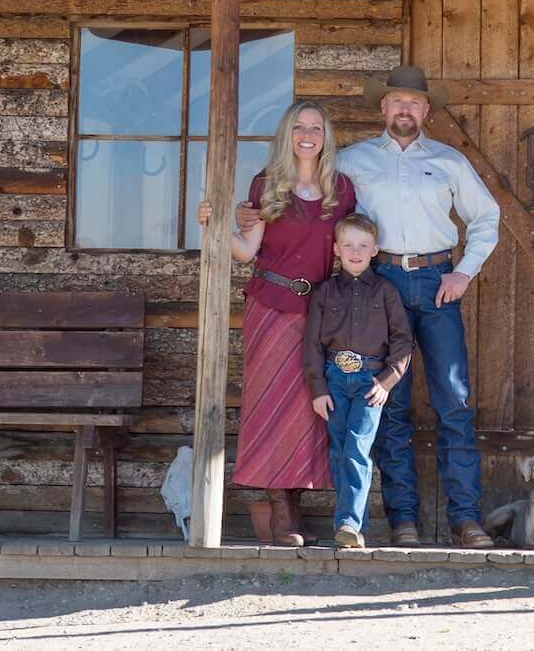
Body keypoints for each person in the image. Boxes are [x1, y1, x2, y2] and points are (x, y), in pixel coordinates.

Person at [335, 65, 501, 549]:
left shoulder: (448, 161)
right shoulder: (351, 161)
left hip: (436, 283)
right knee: (391, 404)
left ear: (426, 111)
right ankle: (402, 519)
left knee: (454, 400)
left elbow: (486, 215)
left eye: (414, 103)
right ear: (382, 108)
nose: (405, 109)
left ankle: (466, 519)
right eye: (396, 101)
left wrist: (463, 271)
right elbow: (315, 206)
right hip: (379, 285)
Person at [195, 100, 355, 547]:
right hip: (270, 304)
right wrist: (213, 225)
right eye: (300, 127)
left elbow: (350, 249)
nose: (308, 135)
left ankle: (300, 502)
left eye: (317, 128)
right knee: (269, 404)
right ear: (287, 135)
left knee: (310, 407)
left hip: (321, 310)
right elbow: (247, 251)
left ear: (327, 137)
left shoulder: (341, 189)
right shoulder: (268, 183)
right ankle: (281, 509)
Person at [303, 213, 413, 549]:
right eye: (348, 245)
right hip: (335, 378)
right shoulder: (324, 293)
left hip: (370, 381)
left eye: (363, 245)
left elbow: (403, 341)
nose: (355, 251)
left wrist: (387, 381)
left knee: (357, 449)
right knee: (339, 452)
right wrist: (318, 389)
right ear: (336, 249)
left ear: (375, 249)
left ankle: (349, 524)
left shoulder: (386, 292)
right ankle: (351, 525)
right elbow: (311, 344)